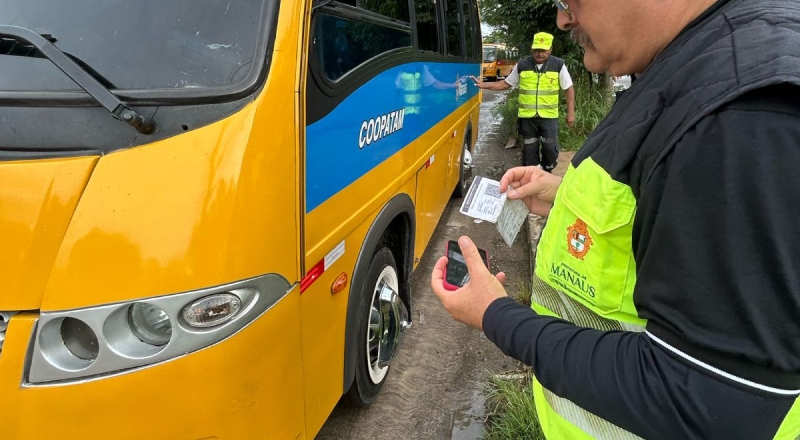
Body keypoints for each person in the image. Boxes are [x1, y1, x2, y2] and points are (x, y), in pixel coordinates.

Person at [432, 0, 800, 438]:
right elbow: (664, 205)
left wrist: (497, 314)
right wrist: (561, 194)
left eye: (571, 0)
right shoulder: (693, 65)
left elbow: (706, 403)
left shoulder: (741, 116)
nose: (564, 19)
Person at [470, 32, 575, 172]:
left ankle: (547, 170)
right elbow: (505, 84)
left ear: (550, 49)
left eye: (543, 50)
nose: (539, 54)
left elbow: (568, 88)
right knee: (530, 150)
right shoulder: (523, 64)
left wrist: (571, 113)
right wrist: (484, 85)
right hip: (527, 117)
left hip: (549, 116)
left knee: (550, 148)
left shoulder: (558, 65)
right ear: (532, 49)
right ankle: (533, 175)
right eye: (536, 50)